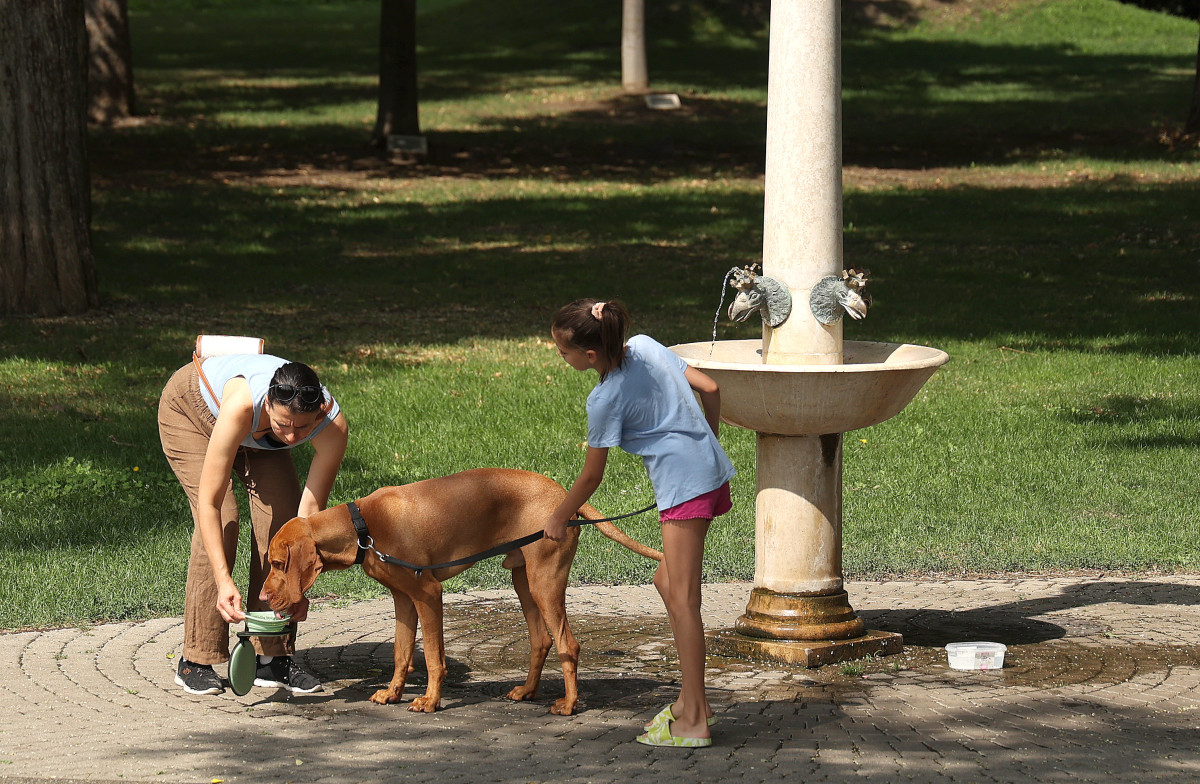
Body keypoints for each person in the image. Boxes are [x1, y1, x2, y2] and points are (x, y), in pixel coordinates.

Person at [543, 299, 735, 748]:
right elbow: (709, 387)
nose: (560, 356)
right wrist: (706, 441)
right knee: (666, 582)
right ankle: (693, 699)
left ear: (590, 356)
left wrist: (557, 516)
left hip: (686, 490)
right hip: (707, 473)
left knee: (684, 601)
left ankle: (695, 719)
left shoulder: (603, 399)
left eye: (563, 351)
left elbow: (592, 475)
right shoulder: (646, 346)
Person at [157, 352, 348, 696]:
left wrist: (297, 586)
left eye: (302, 428)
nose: (292, 438)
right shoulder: (243, 407)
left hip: (259, 436)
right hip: (193, 413)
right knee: (225, 518)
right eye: (284, 424)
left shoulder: (332, 427)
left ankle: (272, 659)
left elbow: (305, 520)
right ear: (269, 404)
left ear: (318, 413)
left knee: (282, 523)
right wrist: (223, 580)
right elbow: (210, 503)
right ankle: (195, 661)